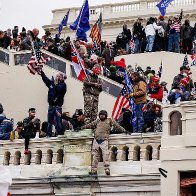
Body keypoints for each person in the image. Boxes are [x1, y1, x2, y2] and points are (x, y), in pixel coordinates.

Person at [78, 110, 126, 175]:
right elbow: (90, 125)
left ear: (105, 115)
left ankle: (107, 169)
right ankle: (94, 170)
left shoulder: (110, 120)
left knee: (105, 155)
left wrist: (124, 131)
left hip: (104, 140)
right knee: (95, 155)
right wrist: (81, 128)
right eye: (100, 115)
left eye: (103, 115)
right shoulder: (97, 121)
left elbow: (117, 126)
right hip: (96, 140)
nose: (101, 116)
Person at [40, 70, 67, 137]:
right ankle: (48, 135)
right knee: (49, 122)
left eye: (58, 76)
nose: (57, 77)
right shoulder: (52, 83)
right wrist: (42, 73)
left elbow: (59, 89)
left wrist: (55, 84)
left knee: (58, 122)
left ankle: (60, 135)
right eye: (56, 76)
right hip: (51, 106)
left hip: (58, 106)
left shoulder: (63, 85)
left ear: (62, 78)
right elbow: (46, 80)